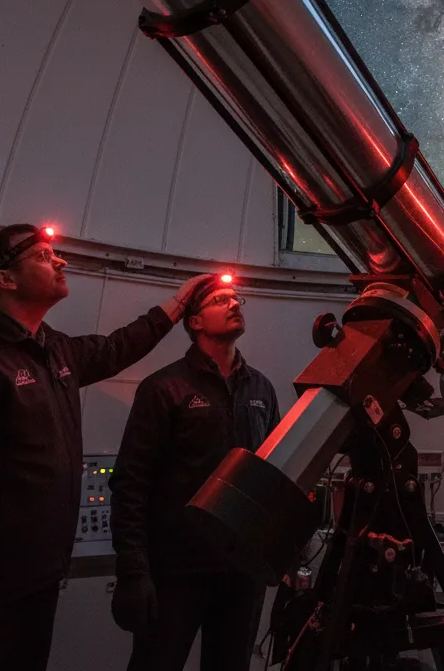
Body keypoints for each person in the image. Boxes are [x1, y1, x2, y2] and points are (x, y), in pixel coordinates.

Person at [0, 222, 214, 670]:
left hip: (38, 581)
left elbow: (116, 347)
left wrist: (180, 301)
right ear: (4, 279)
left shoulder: (55, 353)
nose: (61, 261)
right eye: (44, 256)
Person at [109, 274, 281, 671]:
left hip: (242, 571)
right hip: (176, 571)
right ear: (195, 323)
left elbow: (271, 474)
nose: (234, 303)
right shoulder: (164, 388)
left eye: (236, 298)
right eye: (220, 300)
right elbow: (131, 483)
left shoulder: (261, 389)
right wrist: (133, 569)